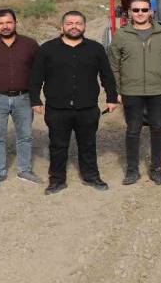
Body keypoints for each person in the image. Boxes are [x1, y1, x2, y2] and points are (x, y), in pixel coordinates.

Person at [30, 11, 118, 195]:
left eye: (78, 23)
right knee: (58, 146)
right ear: (62, 27)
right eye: (69, 23)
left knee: (88, 144)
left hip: (87, 107)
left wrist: (111, 97)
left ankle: (91, 176)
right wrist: (35, 99)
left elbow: (107, 75)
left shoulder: (96, 49)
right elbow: (36, 77)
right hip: (57, 108)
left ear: (84, 26)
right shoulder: (47, 49)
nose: (74, 26)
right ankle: (57, 180)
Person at [107, 0, 161, 186]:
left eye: (144, 10)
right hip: (131, 90)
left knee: (157, 128)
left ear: (151, 12)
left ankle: (156, 169)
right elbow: (114, 65)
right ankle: (132, 171)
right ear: (129, 13)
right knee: (133, 130)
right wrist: (117, 90)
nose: (140, 14)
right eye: (136, 10)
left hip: (158, 90)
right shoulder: (121, 35)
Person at [0, 8, 41, 188]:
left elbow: (38, 70)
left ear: (15, 22)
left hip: (24, 98)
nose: (5, 26)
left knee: (25, 136)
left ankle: (24, 169)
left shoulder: (30, 44)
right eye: (1, 23)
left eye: (8, 22)